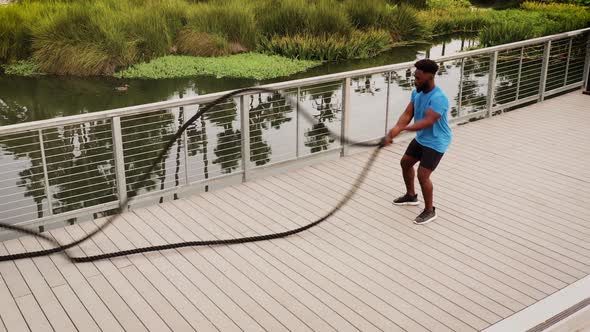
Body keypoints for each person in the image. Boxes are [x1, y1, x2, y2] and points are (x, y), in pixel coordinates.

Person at [383, 59, 451, 225]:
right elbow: (407, 114)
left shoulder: (439, 98)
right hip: (422, 138)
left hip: (436, 141)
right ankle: (411, 196)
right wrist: (394, 130)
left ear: (430, 77)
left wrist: (404, 130)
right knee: (405, 163)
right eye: (415, 77)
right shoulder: (417, 93)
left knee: (423, 174)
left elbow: (428, 121)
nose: (415, 81)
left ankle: (429, 210)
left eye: (418, 78)